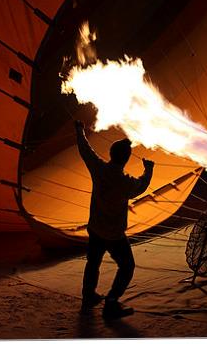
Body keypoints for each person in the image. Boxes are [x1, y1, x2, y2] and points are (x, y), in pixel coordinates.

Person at [75, 120, 154, 319]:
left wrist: (79, 130)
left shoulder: (99, 169)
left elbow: (85, 150)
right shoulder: (126, 183)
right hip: (113, 234)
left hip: (95, 228)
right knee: (127, 266)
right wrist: (149, 169)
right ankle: (111, 302)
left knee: (93, 262)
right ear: (126, 159)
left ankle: (88, 296)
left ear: (111, 154)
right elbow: (142, 186)